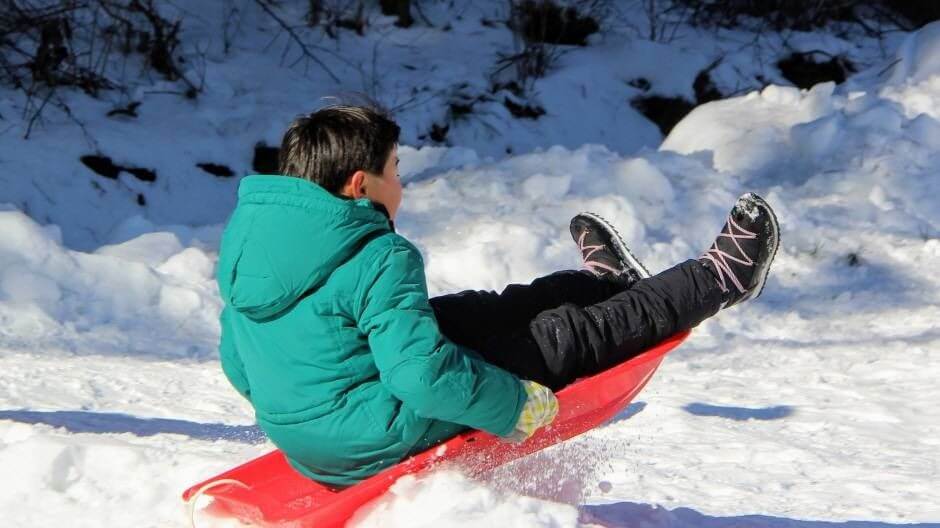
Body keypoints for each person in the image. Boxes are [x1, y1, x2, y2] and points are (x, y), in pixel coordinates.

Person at [215, 104, 780, 487]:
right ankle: (720, 278)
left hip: (314, 445)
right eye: (395, 171)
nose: (402, 185)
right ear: (360, 185)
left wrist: (310, 405)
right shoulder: (377, 254)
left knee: (479, 311)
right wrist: (512, 406)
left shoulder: (254, 247)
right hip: (381, 435)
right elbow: (420, 377)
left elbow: (238, 364)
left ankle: (605, 284)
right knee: (566, 338)